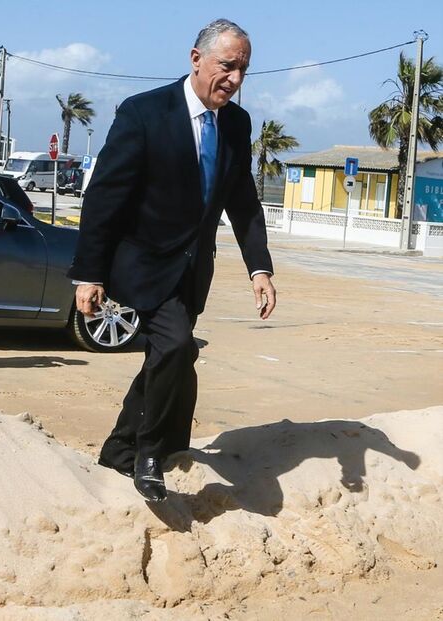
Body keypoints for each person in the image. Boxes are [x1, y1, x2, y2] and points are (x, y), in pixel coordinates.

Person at [69, 19, 277, 503]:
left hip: (192, 268)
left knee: (172, 356)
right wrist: (90, 273)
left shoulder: (237, 124)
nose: (236, 79)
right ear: (196, 59)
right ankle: (149, 453)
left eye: (244, 69)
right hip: (140, 262)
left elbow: (242, 201)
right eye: (228, 66)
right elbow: (104, 198)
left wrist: (259, 267)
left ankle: (119, 450)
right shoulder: (144, 113)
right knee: (177, 346)